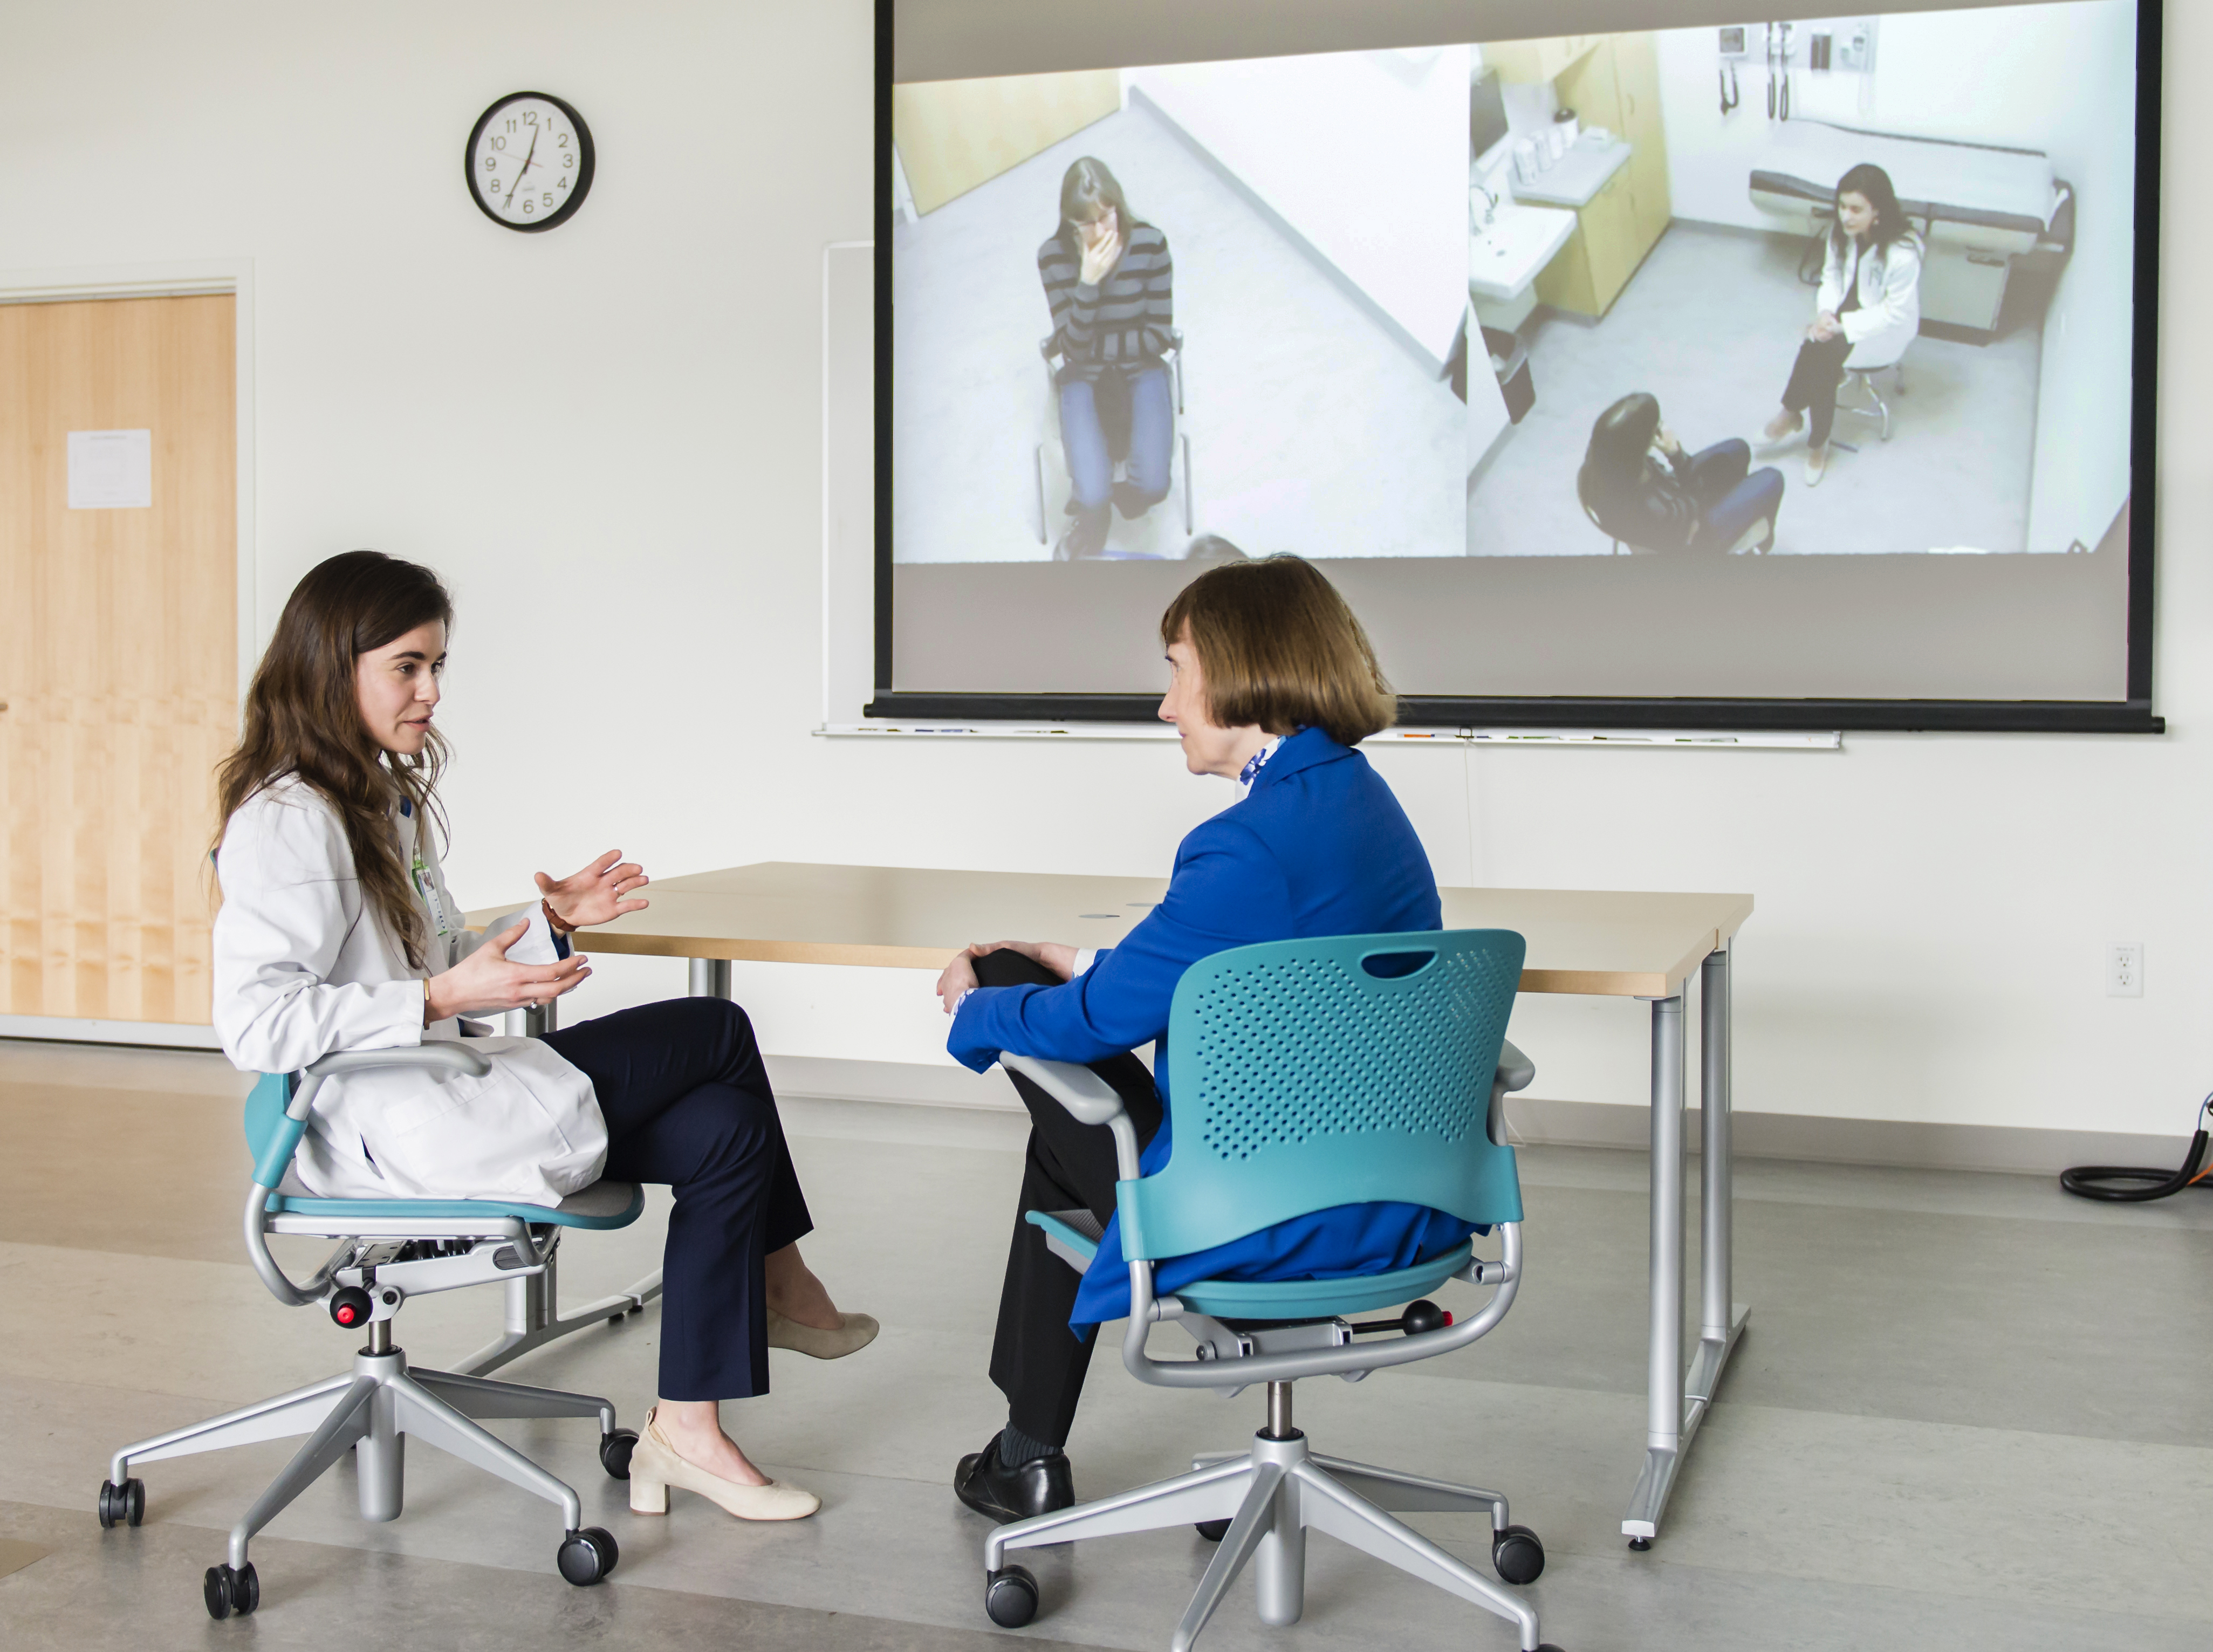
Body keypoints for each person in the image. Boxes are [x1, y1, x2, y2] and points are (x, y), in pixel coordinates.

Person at [210, 550, 875, 1527]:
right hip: (389, 1119)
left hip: (439, 1085)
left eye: (438, 665)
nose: (433, 691)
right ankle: (783, 1282)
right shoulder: (287, 820)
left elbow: (435, 957)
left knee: (727, 1131)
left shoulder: (376, 798)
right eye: (407, 667)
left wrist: (547, 920)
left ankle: (687, 1429)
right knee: (718, 1027)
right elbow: (256, 1022)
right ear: (329, 667)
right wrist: (438, 996)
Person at [933, 552, 1471, 1524]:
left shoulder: (1246, 842)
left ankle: (1026, 1453)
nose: (1165, 706)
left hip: (1266, 1209)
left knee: (1018, 998)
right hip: (1400, 1191)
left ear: (1235, 669)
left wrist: (975, 1009)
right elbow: (1258, 976)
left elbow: (1094, 1024)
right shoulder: (1359, 801)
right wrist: (1087, 961)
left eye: (1176, 670)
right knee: (1062, 1132)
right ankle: (1024, 1448)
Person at [1038, 156, 1175, 560]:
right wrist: (1088, 283)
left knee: (1154, 486)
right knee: (1091, 493)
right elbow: (1073, 351)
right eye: (1086, 223)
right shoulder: (1052, 257)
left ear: (1118, 205)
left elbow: (1159, 336)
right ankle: (1095, 514)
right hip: (1083, 373)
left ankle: (1127, 496)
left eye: (1106, 217)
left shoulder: (1150, 244)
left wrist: (1102, 349)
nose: (1099, 232)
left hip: (1141, 367)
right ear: (1069, 222)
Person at [1763, 162, 1924, 486]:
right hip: (1847, 311)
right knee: (1819, 344)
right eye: (1842, 206)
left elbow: (1894, 312)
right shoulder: (1841, 233)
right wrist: (1825, 312)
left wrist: (1842, 326)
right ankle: (1809, 435)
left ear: (1878, 210)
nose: (1845, 216)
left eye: (1856, 209)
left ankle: (1798, 423)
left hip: (1885, 329)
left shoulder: (1903, 252)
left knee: (1820, 353)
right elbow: (1832, 277)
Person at [1578, 392, 1784, 553]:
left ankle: (1740, 506)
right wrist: (1675, 454)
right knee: (1772, 479)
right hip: (1695, 541)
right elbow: (1694, 509)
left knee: (1738, 449)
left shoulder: (1599, 466)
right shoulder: (1656, 505)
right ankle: (1761, 539)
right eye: (1655, 428)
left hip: (1667, 519)